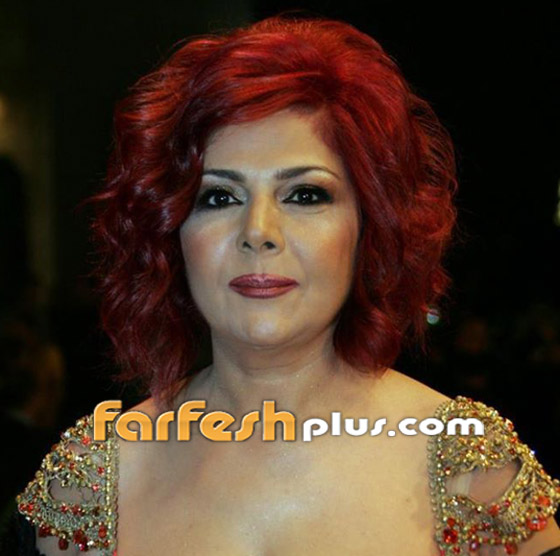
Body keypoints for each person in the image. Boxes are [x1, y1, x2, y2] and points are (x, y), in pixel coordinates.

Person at [5, 14, 560, 556]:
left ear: (369, 225)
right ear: (171, 232)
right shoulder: (92, 483)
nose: (258, 232)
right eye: (219, 197)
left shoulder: (473, 476)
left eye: (305, 195)